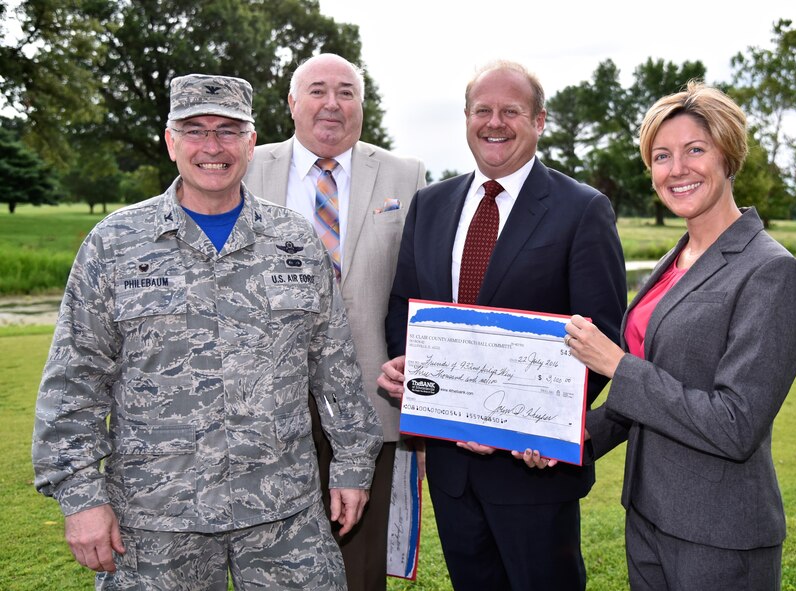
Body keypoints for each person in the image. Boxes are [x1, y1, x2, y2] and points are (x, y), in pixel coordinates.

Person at [32, 73, 382, 590]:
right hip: (157, 518)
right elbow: (74, 380)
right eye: (195, 130)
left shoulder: (293, 241)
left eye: (229, 130)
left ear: (252, 143)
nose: (212, 147)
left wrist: (352, 463)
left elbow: (334, 367)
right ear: (171, 141)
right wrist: (82, 497)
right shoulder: (116, 243)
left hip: (282, 511)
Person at [379, 60, 627, 590]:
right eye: (482, 110)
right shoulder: (430, 204)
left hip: (531, 468)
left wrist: (539, 419)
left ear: (539, 121)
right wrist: (412, 373)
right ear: (467, 118)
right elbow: (405, 308)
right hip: (451, 469)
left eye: (511, 111)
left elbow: (602, 335)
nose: (495, 122)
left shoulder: (582, 209)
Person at [564, 81, 796, 591]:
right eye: (661, 156)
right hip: (648, 516)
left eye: (694, 150)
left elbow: (734, 424)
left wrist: (617, 365)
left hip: (719, 535)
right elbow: (653, 393)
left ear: (728, 154)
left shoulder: (771, 271)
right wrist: (573, 436)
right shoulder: (673, 262)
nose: (677, 169)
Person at [242, 53, 426, 591]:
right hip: (265, 405)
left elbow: (422, 283)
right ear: (292, 103)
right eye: (317, 90)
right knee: (269, 555)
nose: (331, 104)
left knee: (361, 562)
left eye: (346, 92)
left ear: (362, 106)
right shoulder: (247, 166)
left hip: (372, 401)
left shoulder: (405, 175)